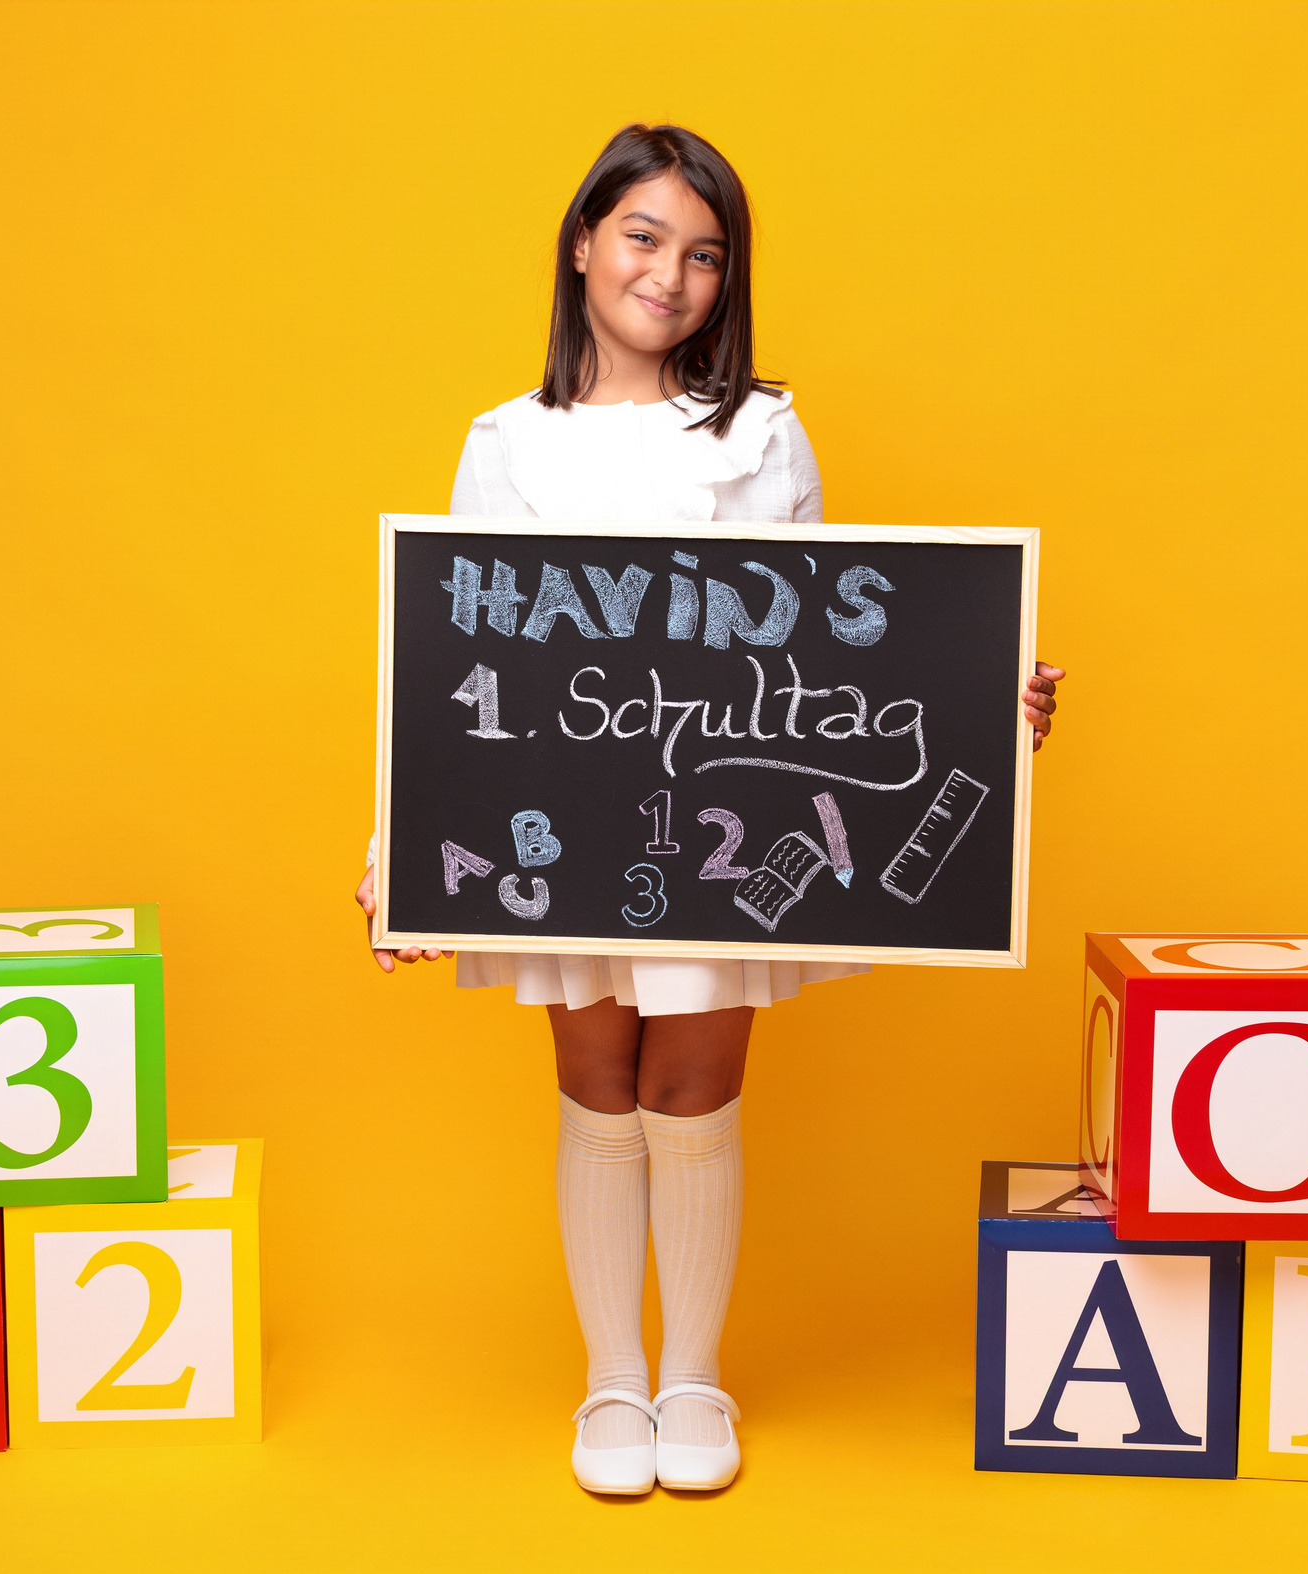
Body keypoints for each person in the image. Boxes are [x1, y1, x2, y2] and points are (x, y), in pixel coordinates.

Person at [356, 123, 1063, 1495]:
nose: (669, 275)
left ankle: (694, 1375)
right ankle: (611, 1379)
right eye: (643, 238)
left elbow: (831, 646)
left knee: (694, 1082)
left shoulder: (760, 433)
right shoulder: (505, 444)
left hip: (721, 823)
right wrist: (404, 841)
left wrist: (982, 693)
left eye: (702, 255)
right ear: (581, 244)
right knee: (593, 1082)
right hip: (559, 815)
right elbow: (453, 657)